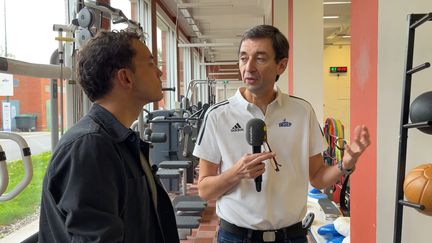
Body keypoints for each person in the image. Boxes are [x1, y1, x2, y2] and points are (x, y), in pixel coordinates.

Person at [193, 25, 370, 243]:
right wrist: (236, 173)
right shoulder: (218, 116)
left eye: (259, 58)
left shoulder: (302, 111)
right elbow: (204, 190)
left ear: (281, 65)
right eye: (243, 58)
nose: (248, 67)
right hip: (236, 236)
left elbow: (317, 178)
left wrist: (346, 163)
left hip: (291, 236)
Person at [39, 29, 179, 243]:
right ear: (125, 77)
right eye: (150, 63)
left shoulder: (119, 141)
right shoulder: (91, 146)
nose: (159, 72)